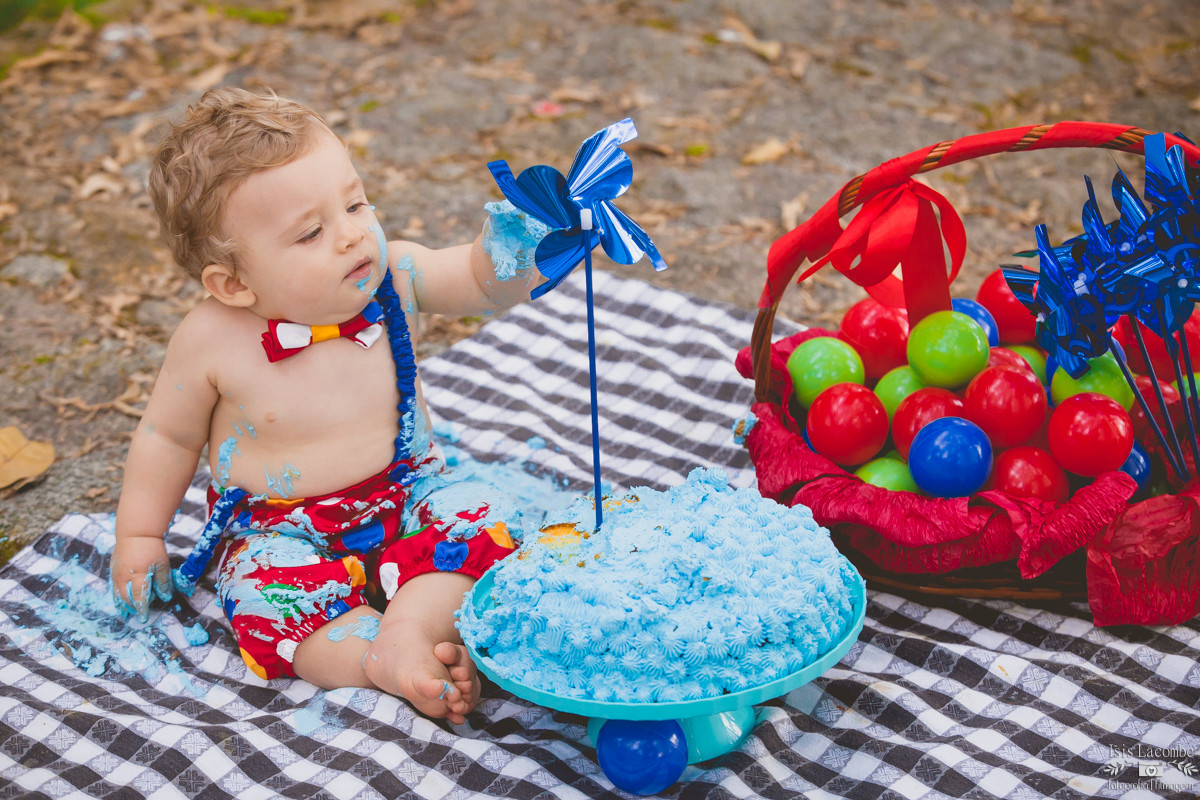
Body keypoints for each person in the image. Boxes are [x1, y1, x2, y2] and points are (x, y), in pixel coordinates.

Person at [110, 86, 546, 724]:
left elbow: (483, 283)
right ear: (234, 283)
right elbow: (167, 439)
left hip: (407, 492)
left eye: (355, 203)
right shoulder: (211, 340)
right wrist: (140, 534)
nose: (351, 235)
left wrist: (513, 245)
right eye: (311, 232)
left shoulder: (398, 277)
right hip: (281, 529)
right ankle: (375, 658)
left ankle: (413, 625)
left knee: (483, 519)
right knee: (265, 598)